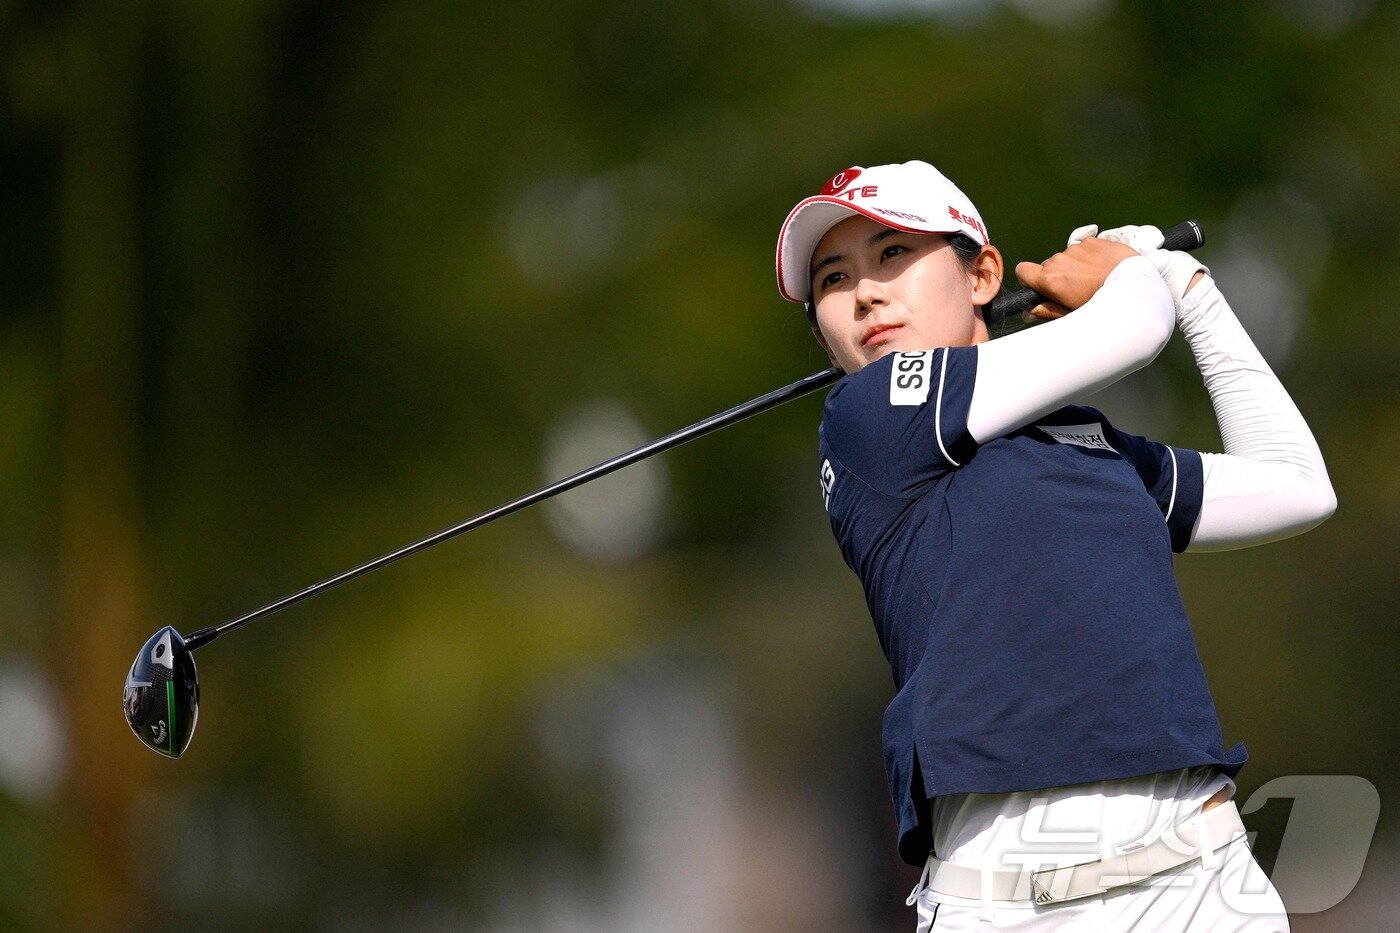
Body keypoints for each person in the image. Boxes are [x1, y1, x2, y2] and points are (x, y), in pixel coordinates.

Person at [775, 160, 1336, 931]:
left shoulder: (1088, 442)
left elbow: (1298, 483)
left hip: (1201, 882)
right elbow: (1131, 329)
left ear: (984, 276)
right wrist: (1135, 277)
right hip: (1004, 902)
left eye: (893, 254)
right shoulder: (868, 417)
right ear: (822, 331)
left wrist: (1193, 293)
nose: (866, 290)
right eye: (834, 279)